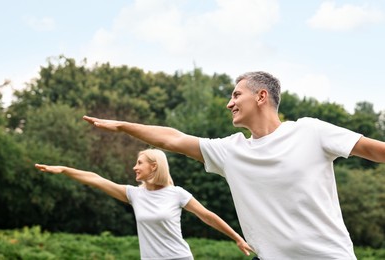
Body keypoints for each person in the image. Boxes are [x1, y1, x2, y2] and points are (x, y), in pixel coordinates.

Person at [83, 71, 385, 260]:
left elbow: (375, 150)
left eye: (236, 94)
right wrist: (123, 126)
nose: (230, 102)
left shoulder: (311, 131)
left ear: (261, 96)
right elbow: (173, 139)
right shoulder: (230, 151)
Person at [35, 148, 253, 260]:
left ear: (154, 166)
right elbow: (96, 179)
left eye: (139, 163)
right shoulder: (133, 194)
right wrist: (64, 169)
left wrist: (237, 238)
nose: (134, 167)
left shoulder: (177, 194)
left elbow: (207, 216)